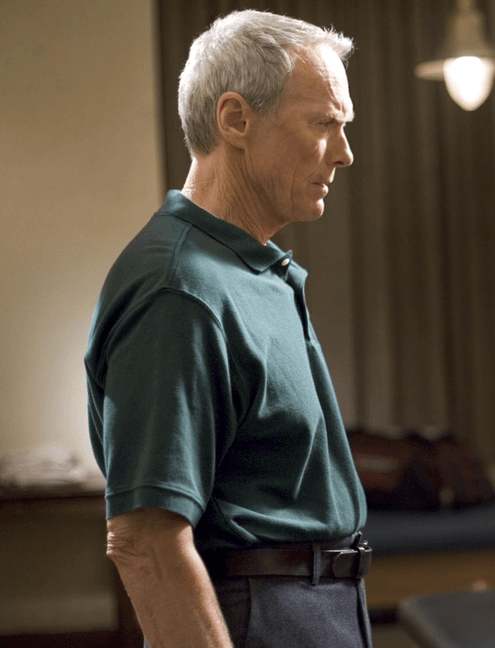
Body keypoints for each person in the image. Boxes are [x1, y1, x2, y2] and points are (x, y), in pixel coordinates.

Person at [84, 10, 371, 648]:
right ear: (236, 119)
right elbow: (145, 540)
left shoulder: (247, 270)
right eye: (324, 123)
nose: (344, 152)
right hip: (253, 617)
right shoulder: (178, 290)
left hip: (314, 608)